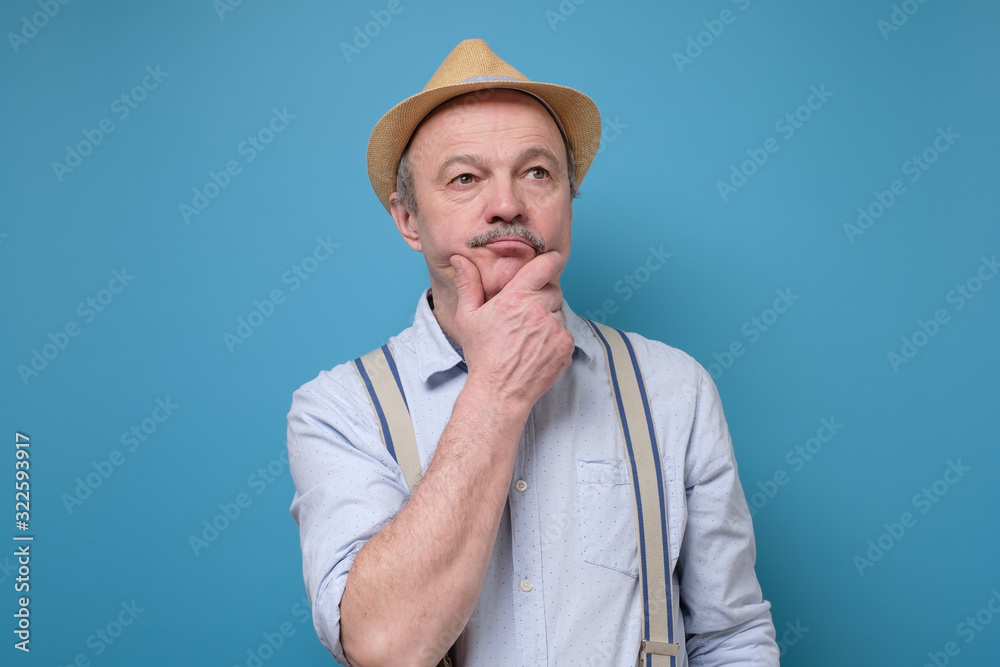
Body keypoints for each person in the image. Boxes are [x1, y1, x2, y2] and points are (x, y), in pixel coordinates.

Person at [287, 38, 779, 666]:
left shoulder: (674, 389)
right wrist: (498, 389)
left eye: (537, 172)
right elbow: (384, 648)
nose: (507, 205)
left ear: (568, 201)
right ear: (408, 220)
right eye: (465, 178)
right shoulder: (339, 410)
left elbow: (733, 640)